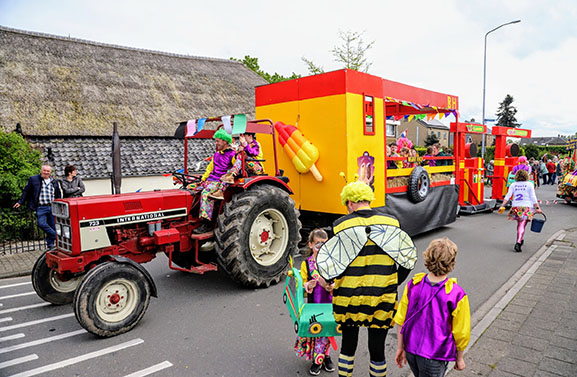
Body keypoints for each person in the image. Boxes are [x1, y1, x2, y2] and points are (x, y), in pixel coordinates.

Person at [316, 181, 417, 377]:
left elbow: (331, 262)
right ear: (368, 200)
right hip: (382, 296)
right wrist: (394, 281)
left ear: (350, 202)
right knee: (377, 349)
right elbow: (407, 259)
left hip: (348, 296)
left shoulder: (340, 225)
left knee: (348, 346)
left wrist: (327, 281)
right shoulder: (392, 223)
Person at [394, 237, 471, 377]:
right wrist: (459, 358)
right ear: (451, 262)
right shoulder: (456, 294)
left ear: (427, 258)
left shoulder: (413, 284)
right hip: (436, 355)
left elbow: (401, 319)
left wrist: (401, 347)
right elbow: (461, 332)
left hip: (411, 350)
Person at [294, 228, 335, 376]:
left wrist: (332, 286)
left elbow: (336, 281)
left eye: (325, 244)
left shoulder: (331, 263)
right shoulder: (307, 264)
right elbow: (302, 284)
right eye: (318, 244)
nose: (321, 248)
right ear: (311, 245)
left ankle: (326, 356)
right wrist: (308, 285)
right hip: (314, 305)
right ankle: (318, 360)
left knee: (328, 330)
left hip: (328, 304)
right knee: (317, 330)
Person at [189, 129, 235, 233]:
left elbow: (236, 168)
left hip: (219, 182)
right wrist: (203, 179)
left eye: (218, 141)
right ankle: (193, 217)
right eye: (216, 141)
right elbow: (210, 168)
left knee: (206, 193)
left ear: (225, 141)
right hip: (210, 180)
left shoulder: (232, 155)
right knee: (190, 190)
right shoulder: (217, 154)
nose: (216, 143)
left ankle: (207, 223)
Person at [13, 165, 62, 249]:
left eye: (48, 171)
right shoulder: (34, 179)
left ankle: (50, 244)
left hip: (52, 207)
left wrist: (60, 204)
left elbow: (58, 194)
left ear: (50, 172)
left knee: (52, 225)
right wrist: (20, 202)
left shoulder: (54, 181)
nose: (46, 172)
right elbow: (26, 191)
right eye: (44, 170)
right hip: (41, 207)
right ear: (41, 171)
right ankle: (55, 236)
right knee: (41, 223)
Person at [498, 169, 542, 252]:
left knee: (519, 223)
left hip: (516, 207)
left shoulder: (513, 185)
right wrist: (537, 207)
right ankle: (518, 242)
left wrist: (502, 205)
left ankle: (520, 239)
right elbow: (533, 197)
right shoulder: (529, 184)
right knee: (523, 224)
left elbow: (508, 196)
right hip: (526, 207)